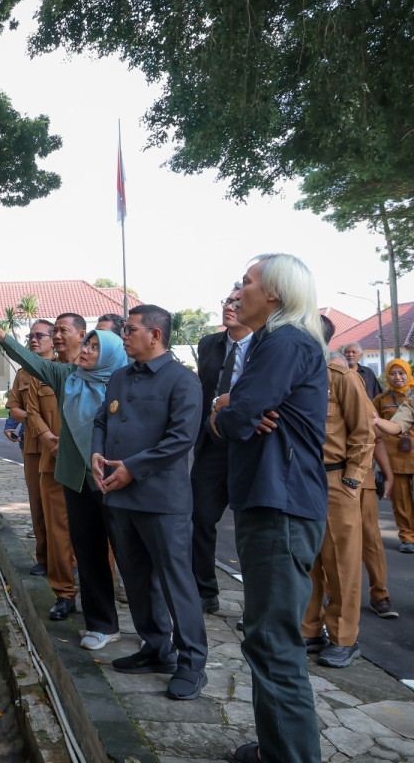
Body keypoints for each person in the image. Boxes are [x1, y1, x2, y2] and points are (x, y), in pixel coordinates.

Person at [209, 254, 328, 763]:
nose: (239, 291)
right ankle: (274, 747)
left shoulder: (283, 342)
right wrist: (231, 407)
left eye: (249, 282)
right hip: (273, 503)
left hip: (280, 507)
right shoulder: (274, 342)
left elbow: (236, 421)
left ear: (274, 294)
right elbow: (237, 414)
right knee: (265, 639)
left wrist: (225, 408)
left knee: (275, 645)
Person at [0, 312, 128, 650]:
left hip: (115, 477)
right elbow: (32, 363)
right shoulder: (68, 376)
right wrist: (2, 335)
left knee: (124, 548)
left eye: (94, 344)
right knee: (84, 548)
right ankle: (99, 621)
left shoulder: (125, 382)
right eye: (87, 343)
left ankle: (154, 632)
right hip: (76, 476)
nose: (87, 350)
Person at [91, 304, 206, 699]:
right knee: (137, 580)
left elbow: (180, 440)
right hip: (120, 498)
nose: (124, 336)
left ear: (155, 335)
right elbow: (102, 421)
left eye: (130, 330)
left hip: (161, 500)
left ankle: (192, 662)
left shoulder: (183, 381)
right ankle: (157, 648)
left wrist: (132, 469)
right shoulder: (120, 377)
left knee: (177, 583)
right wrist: (96, 452)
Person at [299, 330, 373, 669]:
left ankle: (344, 638)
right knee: (307, 560)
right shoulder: (294, 373)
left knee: (341, 562)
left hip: (335, 479)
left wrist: (353, 480)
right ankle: (309, 629)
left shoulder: (342, 377)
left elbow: (363, 431)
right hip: (300, 478)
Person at [190, 287, 252, 614]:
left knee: (250, 526)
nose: (229, 307)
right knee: (199, 515)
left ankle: (256, 604)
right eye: (227, 301)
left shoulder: (265, 346)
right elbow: (204, 390)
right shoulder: (209, 344)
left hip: (250, 444)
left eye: (237, 302)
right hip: (211, 444)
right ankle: (204, 591)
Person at [24, 315, 82, 605]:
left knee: (99, 531)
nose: (57, 336)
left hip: (89, 462)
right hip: (53, 459)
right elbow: (31, 411)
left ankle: (105, 592)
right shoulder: (43, 372)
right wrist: (49, 439)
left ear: (82, 335)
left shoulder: (96, 369)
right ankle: (63, 592)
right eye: (55, 331)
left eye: (63, 331)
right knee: (56, 528)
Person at [7, 319, 55, 575]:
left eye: (40, 336)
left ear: (52, 339)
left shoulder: (62, 368)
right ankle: (44, 558)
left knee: (62, 507)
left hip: (58, 445)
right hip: (33, 446)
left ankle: (71, 562)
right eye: (30, 336)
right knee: (37, 505)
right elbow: (14, 407)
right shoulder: (23, 374)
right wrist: (31, 419)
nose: (33, 340)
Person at [372, 359, 414, 553]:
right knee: (401, 500)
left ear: (408, 374)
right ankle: (407, 537)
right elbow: (374, 427)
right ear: (387, 376)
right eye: (393, 373)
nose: (398, 377)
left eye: (401, 373)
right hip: (395, 458)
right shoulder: (381, 399)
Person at [362, 437, 399, 618]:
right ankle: (334, 594)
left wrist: (387, 473)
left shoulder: (363, 407)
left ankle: (379, 595)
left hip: (362, 479)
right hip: (325, 476)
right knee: (329, 540)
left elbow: (377, 440)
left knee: (371, 539)